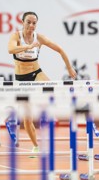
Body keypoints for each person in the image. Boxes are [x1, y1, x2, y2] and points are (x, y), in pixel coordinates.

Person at [7, 11, 76, 154]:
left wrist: (69, 68)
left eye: (34, 23)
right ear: (23, 22)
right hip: (21, 79)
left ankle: (50, 111)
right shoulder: (16, 36)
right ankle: (35, 146)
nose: (31, 25)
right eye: (28, 22)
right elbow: (10, 49)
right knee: (27, 120)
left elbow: (60, 50)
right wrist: (28, 47)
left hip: (36, 72)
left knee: (50, 87)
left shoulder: (40, 38)